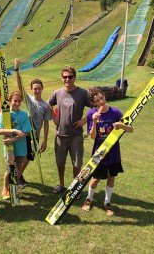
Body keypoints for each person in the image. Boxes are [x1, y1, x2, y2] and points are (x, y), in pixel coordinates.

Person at [82, 88, 133, 216]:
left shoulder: (115, 112)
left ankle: (107, 202)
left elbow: (131, 129)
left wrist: (122, 126)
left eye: (101, 97)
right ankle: (89, 199)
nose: (101, 101)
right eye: (97, 100)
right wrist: (94, 122)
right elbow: (92, 136)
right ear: (94, 103)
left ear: (104, 95)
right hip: (99, 153)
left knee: (111, 178)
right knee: (95, 179)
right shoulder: (91, 114)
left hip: (114, 152)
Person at [48, 66, 92, 194]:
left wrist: (84, 120)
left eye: (70, 77)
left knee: (77, 163)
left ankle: (74, 187)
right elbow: (48, 103)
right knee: (60, 162)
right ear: (62, 78)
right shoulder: (57, 93)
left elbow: (95, 108)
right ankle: (61, 184)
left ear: (74, 77)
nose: (67, 79)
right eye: (65, 77)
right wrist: (54, 116)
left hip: (76, 135)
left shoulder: (83, 93)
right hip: (61, 134)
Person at [14, 59, 51, 187]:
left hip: (36, 135)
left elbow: (46, 123)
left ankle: (19, 175)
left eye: (39, 88)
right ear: (31, 89)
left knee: (29, 157)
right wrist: (17, 70)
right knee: (22, 156)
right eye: (34, 88)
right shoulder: (29, 99)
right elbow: (20, 87)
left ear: (42, 89)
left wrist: (45, 140)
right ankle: (17, 178)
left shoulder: (46, 106)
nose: (37, 90)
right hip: (25, 133)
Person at [0, 91, 32, 199]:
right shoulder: (4, 113)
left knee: (18, 168)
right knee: (10, 168)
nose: (17, 103)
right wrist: (14, 130)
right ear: (10, 100)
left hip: (21, 146)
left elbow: (25, 132)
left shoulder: (24, 115)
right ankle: (5, 189)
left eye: (19, 101)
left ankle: (14, 188)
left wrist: (13, 139)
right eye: (15, 101)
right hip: (9, 147)